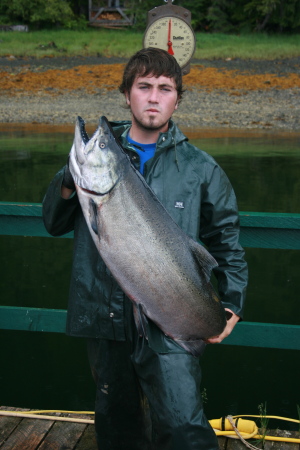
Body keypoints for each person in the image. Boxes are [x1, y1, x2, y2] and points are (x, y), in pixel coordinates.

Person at [42, 48, 248, 450]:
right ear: (127, 94)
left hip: (170, 320)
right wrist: (69, 174)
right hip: (105, 319)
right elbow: (53, 221)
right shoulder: (98, 159)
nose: (154, 97)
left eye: (165, 88)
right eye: (144, 87)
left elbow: (227, 242)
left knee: (184, 430)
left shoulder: (201, 168)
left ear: (177, 98)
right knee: (119, 432)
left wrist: (233, 302)